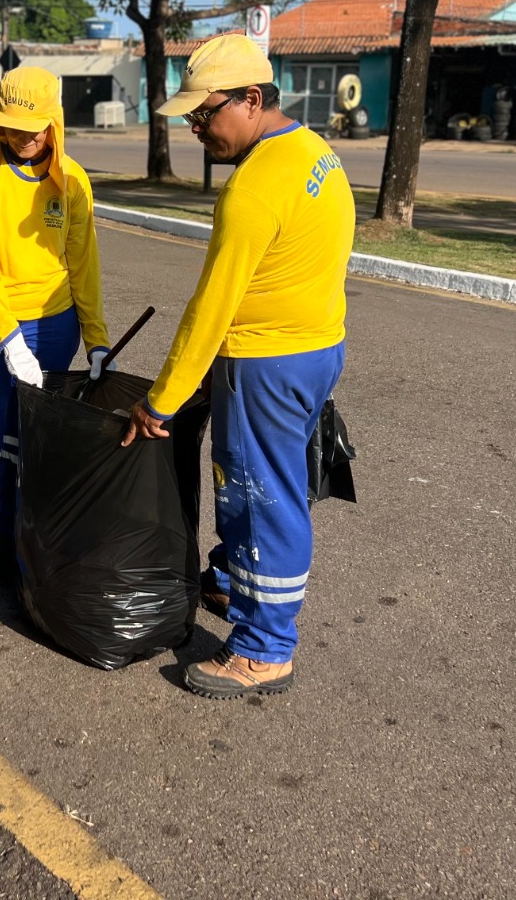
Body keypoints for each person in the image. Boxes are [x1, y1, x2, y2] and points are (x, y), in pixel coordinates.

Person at [121, 34, 353, 699]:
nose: (196, 127)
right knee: (266, 486)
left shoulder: (252, 188)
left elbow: (211, 308)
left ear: (252, 99)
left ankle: (262, 650)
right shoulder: (317, 154)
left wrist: (161, 400)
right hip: (316, 349)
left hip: (265, 364)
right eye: (190, 116)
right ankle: (226, 582)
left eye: (205, 113)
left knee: (261, 501)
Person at [0, 66, 111, 636]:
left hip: (54, 327)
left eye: (33, 128)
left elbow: (83, 262)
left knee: (25, 453)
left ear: (54, 121)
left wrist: (97, 337)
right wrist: (8, 338)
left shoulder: (73, 180)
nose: (23, 137)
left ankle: (13, 560)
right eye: (12, 127)